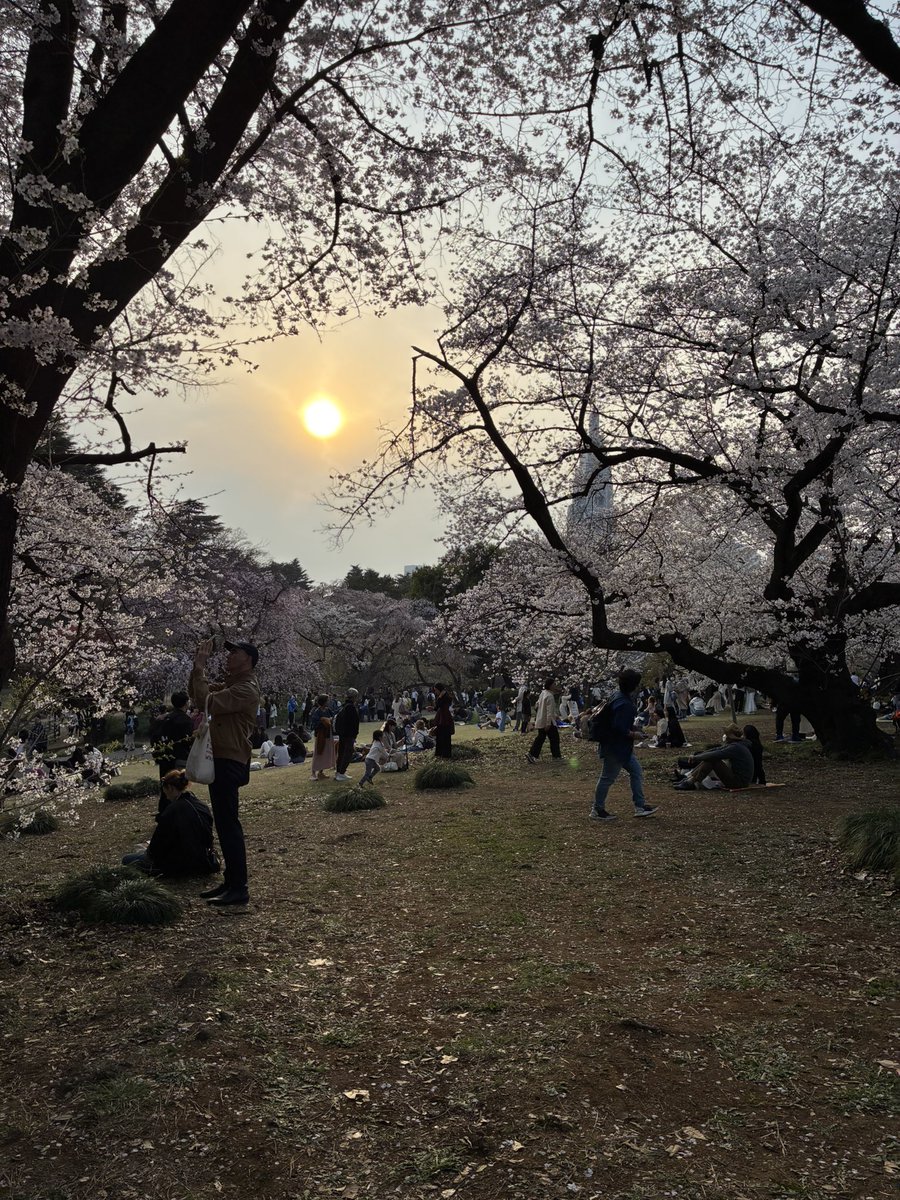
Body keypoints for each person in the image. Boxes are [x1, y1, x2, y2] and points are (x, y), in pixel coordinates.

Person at [189, 638, 260, 907]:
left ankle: (239, 887)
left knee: (229, 825)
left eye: (236, 652)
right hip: (222, 757)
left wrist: (200, 667)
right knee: (225, 823)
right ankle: (231, 881)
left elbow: (207, 701)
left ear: (249, 659)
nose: (229, 655)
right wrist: (197, 668)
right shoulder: (234, 684)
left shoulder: (246, 688)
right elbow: (199, 696)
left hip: (229, 760)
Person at [590, 667, 658, 820]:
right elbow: (619, 727)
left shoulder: (617, 696)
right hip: (615, 747)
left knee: (636, 772)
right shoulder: (625, 704)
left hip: (620, 747)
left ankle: (640, 806)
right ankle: (597, 809)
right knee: (607, 778)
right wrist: (635, 734)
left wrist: (634, 730)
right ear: (633, 685)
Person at [122, 769, 218, 877]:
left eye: (165, 792)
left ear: (171, 788)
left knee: (127, 859)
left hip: (181, 862)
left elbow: (157, 844)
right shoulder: (201, 805)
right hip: (205, 857)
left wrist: (149, 851)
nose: (166, 796)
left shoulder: (173, 810)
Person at [673, 722, 754, 791]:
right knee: (711, 758)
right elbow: (716, 749)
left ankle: (690, 782)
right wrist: (698, 755)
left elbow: (716, 754)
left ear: (730, 737)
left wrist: (696, 758)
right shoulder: (736, 745)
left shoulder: (735, 747)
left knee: (713, 759)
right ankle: (688, 779)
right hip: (739, 780)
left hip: (739, 783)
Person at [150, 691, 195, 813]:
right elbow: (188, 740)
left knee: (166, 784)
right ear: (186, 703)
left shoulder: (162, 718)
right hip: (179, 758)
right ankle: (177, 812)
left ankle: (164, 811)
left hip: (164, 757)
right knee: (178, 787)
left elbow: (153, 737)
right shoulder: (185, 720)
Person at [526, 678, 562, 763]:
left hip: (541, 719)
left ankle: (532, 754)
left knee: (541, 738)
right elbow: (549, 711)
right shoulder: (550, 696)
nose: (555, 686)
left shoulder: (543, 693)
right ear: (550, 685)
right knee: (554, 739)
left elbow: (538, 705)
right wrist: (548, 723)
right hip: (547, 722)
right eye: (554, 685)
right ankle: (556, 756)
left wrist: (555, 716)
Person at [334, 688, 360, 781]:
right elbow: (353, 723)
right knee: (347, 753)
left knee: (341, 752)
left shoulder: (343, 707)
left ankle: (339, 771)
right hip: (349, 734)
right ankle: (341, 772)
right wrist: (354, 734)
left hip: (342, 734)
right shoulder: (350, 708)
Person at [433, 683, 455, 759]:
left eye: (436, 690)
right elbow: (437, 707)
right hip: (441, 717)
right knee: (439, 736)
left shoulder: (446, 697)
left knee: (445, 737)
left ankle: (445, 754)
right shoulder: (440, 696)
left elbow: (440, 704)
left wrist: (440, 697)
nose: (435, 692)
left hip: (445, 718)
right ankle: (440, 753)